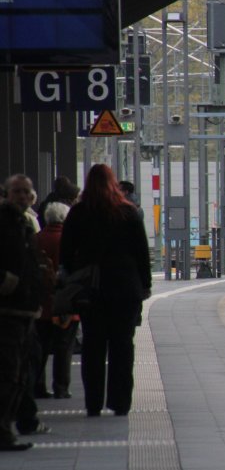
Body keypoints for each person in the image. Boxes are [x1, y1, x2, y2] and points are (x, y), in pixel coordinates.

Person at [61, 165, 152, 417]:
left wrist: (76, 275)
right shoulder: (128, 213)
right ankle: (120, 403)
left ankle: (93, 403)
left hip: (92, 290)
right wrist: (145, 285)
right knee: (123, 346)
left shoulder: (78, 213)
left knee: (93, 345)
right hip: (125, 288)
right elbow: (142, 253)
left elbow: (66, 252)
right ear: (114, 183)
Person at [4, 175, 50, 437]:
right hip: (9, 310)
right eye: (17, 191)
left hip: (25, 309)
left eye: (26, 192)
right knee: (11, 370)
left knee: (23, 368)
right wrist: (6, 282)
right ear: (8, 194)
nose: (22, 196)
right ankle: (9, 427)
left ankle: (21, 421)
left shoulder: (24, 223)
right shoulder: (6, 222)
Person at [36, 202, 77, 399]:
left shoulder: (37, 239)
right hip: (65, 303)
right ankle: (61, 387)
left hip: (41, 303)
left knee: (40, 347)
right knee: (63, 347)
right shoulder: (70, 240)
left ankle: (38, 386)